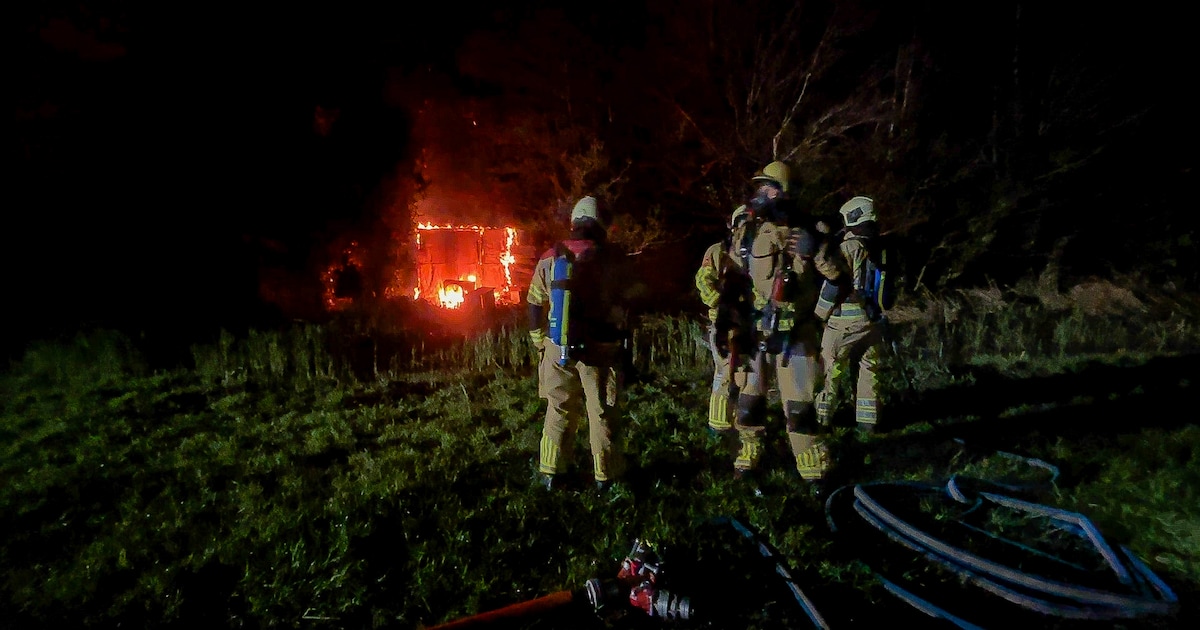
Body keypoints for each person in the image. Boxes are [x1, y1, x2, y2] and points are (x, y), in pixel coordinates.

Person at [727, 161, 830, 484]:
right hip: (756, 331)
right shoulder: (746, 232)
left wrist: (816, 252)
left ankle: (814, 471)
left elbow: (838, 278)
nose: (761, 194)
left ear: (785, 192)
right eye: (759, 187)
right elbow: (732, 279)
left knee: (800, 409)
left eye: (768, 187)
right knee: (749, 403)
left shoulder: (814, 231)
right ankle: (748, 459)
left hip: (797, 335)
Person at [526, 196, 627, 492]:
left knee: (558, 409)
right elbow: (625, 303)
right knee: (601, 411)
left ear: (574, 222)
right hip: (598, 347)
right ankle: (605, 478)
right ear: (600, 224)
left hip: (556, 345)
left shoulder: (550, 256)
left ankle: (550, 474)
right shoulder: (609, 258)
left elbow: (534, 303)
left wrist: (540, 343)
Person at [814, 195, 887, 435]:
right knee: (868, 370)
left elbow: (834, 284)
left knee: (830, 369)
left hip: (844, 321)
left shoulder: (848, 247)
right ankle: (868, 423)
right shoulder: (879, 246)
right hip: (872, 320)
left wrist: (819, 314)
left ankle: (821, 421)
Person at [694, 205, 751, 434]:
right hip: (724, 323)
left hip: (749, 322)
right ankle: (718, 426)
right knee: (725, 372)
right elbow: (703, 281)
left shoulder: (758, 252)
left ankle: (741, 423)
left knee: (746, 374)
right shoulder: (719, 251)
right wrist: (722, 303)